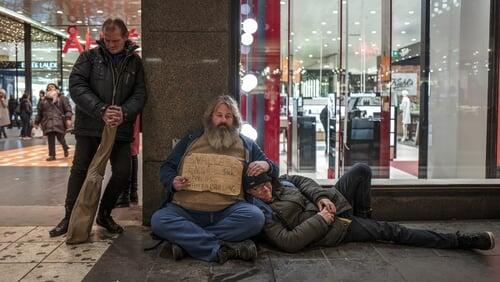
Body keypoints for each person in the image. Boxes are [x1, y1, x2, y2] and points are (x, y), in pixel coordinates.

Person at [245, 163, 495, 253]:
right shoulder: (264, 215)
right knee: (392, 231)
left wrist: (321, 196)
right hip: (334, 226)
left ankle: (364, 218)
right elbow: (289, 242)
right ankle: (462, 241)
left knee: (361, 170)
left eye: (265, 183)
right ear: (249, 193)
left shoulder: (279, 183)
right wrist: (322, 218)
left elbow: (302, 181)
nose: (265, 190)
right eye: (258, 189)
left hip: (334, 201)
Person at [49, 18, 147, 237]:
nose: (110, 44)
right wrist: (101, 109)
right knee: (80, 171)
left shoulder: (134, 62)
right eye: (106, 39)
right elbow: (76, 86)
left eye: (115, 41)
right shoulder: (89, 58)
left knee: (123, 172)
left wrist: (124, 112)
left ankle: (104, 213)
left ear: (125, 38)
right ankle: (69, 217)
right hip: (90, 126)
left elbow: (140, 93)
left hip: (120, 128)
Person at [150, 95, 278, 263]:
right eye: (219, 115)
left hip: (229, 211)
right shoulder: (191, 140)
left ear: (235, 120)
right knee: (159, 220)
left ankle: (187, 242)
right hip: (185, 210)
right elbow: (166, 167)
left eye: (228, 116)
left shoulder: (247, 144)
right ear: (211, 117)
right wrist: (173, 181)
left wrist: (266, 165)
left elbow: (275, 170)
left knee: (255, 218)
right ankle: (221, 247)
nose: (223, 120)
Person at [34, 90, 72, 161]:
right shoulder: (43, 102)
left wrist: (68, 118)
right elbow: (39, 113)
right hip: (48, 122)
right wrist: (36, 122)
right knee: (50, 139)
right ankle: (52, 155)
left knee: (60, 138)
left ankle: (65, 146)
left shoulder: (60, 100)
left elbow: (68, 109)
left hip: (58, 122)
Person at [115, 114, 140, 207]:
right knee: (132, 150)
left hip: (125, 111)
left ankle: (124, 195)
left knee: (126, 148)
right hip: (132, 110)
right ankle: (131, 193)